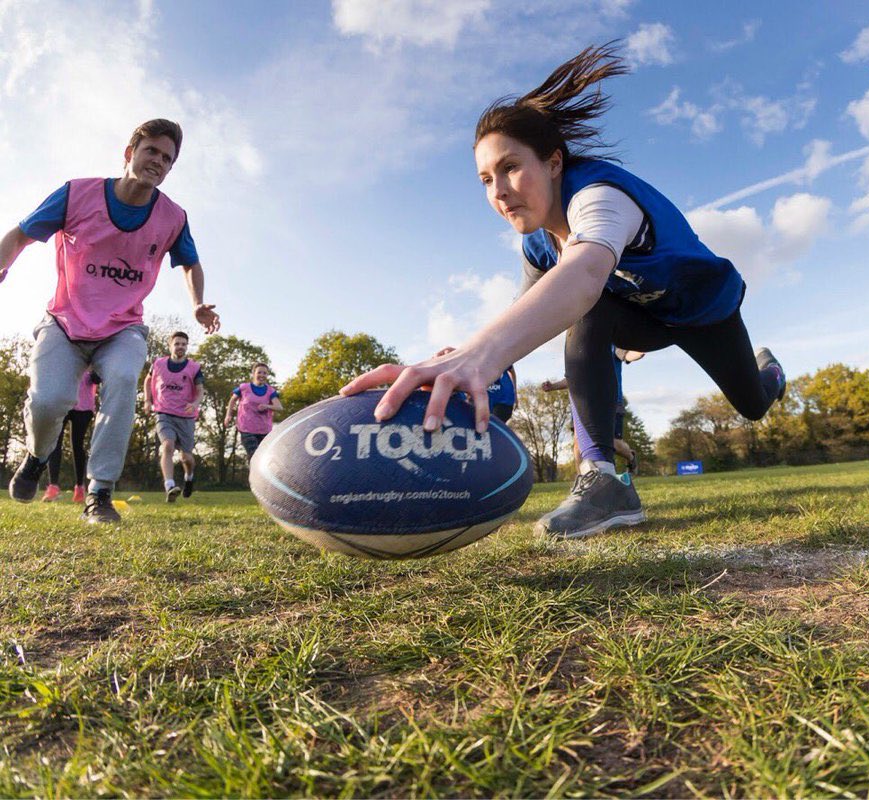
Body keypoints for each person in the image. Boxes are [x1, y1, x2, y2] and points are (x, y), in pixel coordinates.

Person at [341, 44, 786, 538]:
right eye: (486, 179)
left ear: (554, 163)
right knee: (587, 317)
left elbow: (585, 273)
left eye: (510, 167)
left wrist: (478, 355)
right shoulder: (536, 244)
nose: (499, 191)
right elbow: (535, 309)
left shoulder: (599, 195)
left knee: (752, 405)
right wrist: (476, 361)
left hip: (704, 309)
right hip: (637, 315)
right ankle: (604, 478)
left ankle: (771, 372)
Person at [2, 118, 220, 523]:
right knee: (49, 402)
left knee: (122, 382)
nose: (158, 161)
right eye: (151, 150)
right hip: (64, 323)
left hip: (122, 328)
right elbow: (20, 234)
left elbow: (190, 262)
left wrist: (198, 304)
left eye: (167, 158)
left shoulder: (172, 216)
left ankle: (99, 493)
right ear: (129, 153)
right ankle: (35, 456)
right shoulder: (77, 194)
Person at [543, 346, 641, 473]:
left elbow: (628, 355)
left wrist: (640, 351)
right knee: (579, 443)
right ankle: (583, 479)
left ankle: (630, 456)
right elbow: (573, 377)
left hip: (611, 401)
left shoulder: (611, 344)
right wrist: (553, 386)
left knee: (613, 443)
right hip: (584, 403)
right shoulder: (579, 348)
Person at [144, 331, 205, 501]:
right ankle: (170, 485)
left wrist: (194, 404)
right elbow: (148, 381)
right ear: (170, 345)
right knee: (167, 446)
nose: (180, 347)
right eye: (177, 343)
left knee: (187, 458)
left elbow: (200, 391)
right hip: (164, 413)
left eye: (183, 344)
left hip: (186, 416)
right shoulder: (158, 363)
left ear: (187, 346)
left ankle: (189, 477)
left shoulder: (194, 367)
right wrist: (147, 400)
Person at [42, 371, 100, 503]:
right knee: (55, 442)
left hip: (84, 405)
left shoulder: (92, 355)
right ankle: (53, 487)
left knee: (77, 445)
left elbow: (97, 379)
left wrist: (92, 368)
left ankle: (80, 487)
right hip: (61, 402)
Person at [224, 362, 282, 459]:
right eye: (259, 372)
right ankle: (253, 473)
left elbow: (279, 407)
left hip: (264, 430)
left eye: (265, 373)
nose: (262, 375)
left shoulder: (270, 391)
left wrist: (267, 406)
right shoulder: (244, 388)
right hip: (247, 429)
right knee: (254, 456)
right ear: (253, 373)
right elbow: (232, 400)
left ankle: (258, 474)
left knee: (264, 458)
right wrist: (228, 415)